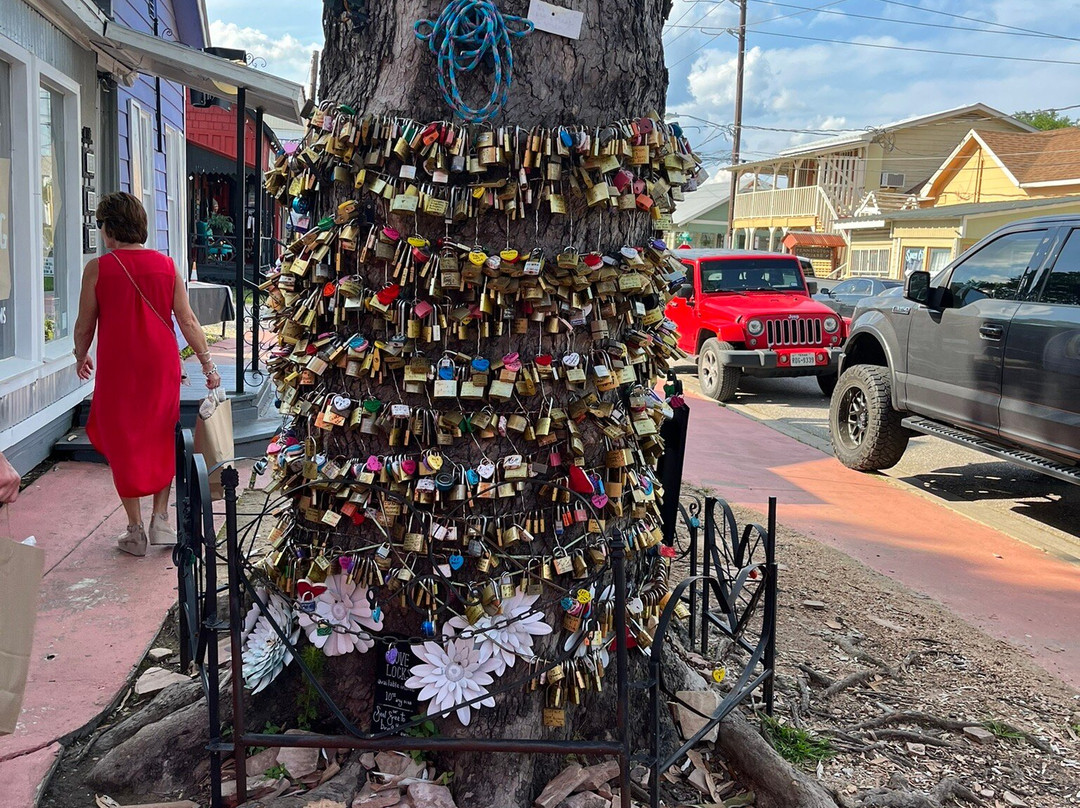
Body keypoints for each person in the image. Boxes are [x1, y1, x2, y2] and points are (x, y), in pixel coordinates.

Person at [73, 192, 222, 557]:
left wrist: (81, 355)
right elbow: (187, 321)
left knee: (123, 441)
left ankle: (134, 529)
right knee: (160, 435)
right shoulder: (168, 266)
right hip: (160, 365)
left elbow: (84, 324)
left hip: (119, 369)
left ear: (110, 230)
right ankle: (160, 520)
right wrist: (207, 362)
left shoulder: (98, 268)